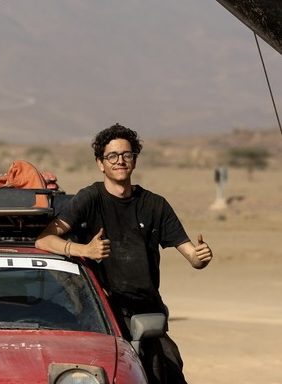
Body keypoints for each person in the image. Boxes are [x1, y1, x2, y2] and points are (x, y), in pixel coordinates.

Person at [35, 123, 213, 384]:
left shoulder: (154, 205)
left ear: (134, 160)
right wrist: (84, 249)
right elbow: (44, 239)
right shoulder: (90, 199)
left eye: (126, 155)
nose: (120, 161)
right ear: (100, 163)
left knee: (170, 372)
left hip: (148, 314)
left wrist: (201, 256)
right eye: (112, 156)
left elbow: (193, 257)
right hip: (105, 318)